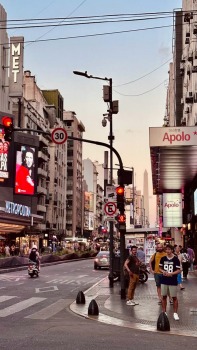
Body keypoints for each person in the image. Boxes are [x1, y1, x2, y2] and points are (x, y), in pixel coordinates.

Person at [159, 244, 181, 321]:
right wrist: (163, 271)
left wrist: (171, 273)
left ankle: (175, 313)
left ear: (172, 250)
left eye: (169, 249)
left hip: (172, 280)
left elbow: (179, 270)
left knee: (174, 297)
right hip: (164, 280)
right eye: (166, 249)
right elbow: (160, 268)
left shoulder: (175, 259)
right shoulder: (163, 258)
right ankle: (164, 312)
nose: (168, 251)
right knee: (164, 296)